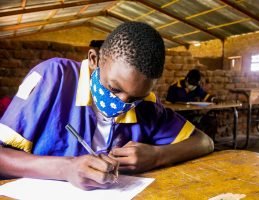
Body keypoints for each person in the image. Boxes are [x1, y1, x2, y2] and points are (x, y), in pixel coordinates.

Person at [0, 22, 214, 190]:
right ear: (94, 59)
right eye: (114, 88)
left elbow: (204, 142)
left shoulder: (147, 105)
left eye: (134, 98)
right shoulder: (54, 77)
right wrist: (66, 168)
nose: (122, 103)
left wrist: (158, 155)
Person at [166, 69, 217, 139]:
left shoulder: (196, 87)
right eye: (190, 85)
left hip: (192, 114)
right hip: (178, 116)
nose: (191, 88)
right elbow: (168, 105)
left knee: (211, 121)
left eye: (194, 86)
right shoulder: (174, 87)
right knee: (193, 126)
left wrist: (214, 99)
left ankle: (207, 144)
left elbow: (205, 96)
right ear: (186, 80)